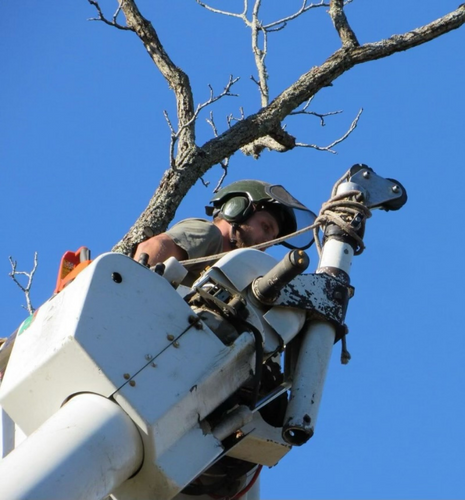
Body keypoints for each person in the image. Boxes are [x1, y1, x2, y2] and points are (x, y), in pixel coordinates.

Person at [134, 179, 315, 285]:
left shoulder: (237, 273)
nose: (268, 241)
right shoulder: (208, 234)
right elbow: (154, 247)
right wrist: (139, 288)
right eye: (266, 227)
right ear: (237, 210)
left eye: (274, 238)